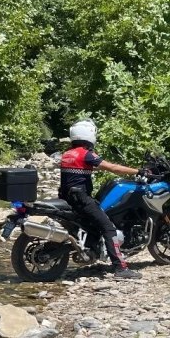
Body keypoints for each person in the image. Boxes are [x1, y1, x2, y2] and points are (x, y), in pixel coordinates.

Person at [59, 119, 145, 279]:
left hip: (68, 198)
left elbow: (78, 171)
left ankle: (92, 247)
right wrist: (137, 171)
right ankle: (120, 268)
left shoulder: (67, 154)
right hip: (81, 199)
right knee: (108, 228)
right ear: (90, 135)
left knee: (96, 221)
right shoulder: (86, 154)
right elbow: (113, 168)